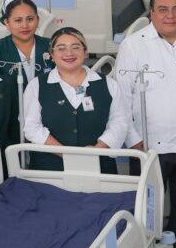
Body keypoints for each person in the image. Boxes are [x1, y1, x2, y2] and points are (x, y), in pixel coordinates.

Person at [114, 0, 176, 242]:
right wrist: (134, 140)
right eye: (163, 9)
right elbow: (121, 99)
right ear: (151, 13)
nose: (171, 16)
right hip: (149, 145)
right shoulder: (133, 45)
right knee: (147, 212)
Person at [23, 27, 130, 175]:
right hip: (49, 171)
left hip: (99, 167)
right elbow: (31, 127)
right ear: (52, 55)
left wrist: (96, 151)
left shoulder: (109, 85)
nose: (69, 53)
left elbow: (119, 122)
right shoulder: (36, 86)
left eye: (76, 47)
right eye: (61, 48)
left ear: (85, 52)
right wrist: (67, 154)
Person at [0, 0, 53, 87]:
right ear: (7, 23)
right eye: (18, 20)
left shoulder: (51, 46)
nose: (25, 25)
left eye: (30, 19)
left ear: (37, 20)